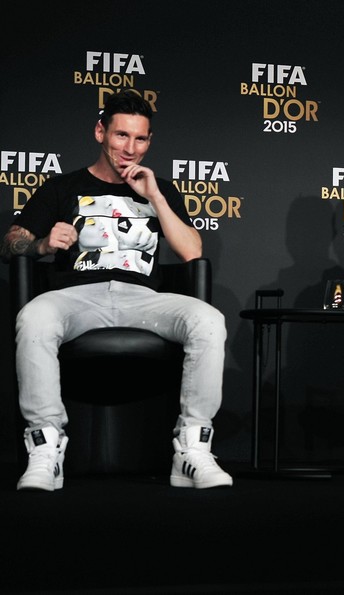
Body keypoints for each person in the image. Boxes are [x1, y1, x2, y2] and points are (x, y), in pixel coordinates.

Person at [1, 90, 233, 491]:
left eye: (140, 139)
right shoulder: (63, 187)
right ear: (99, 132)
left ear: (149, 141)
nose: (129, 148)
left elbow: (192, 251)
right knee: (34, 316)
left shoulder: (159, 189)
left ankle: (192, 449)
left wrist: (155, 196)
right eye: (121, 135)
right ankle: (45, 448)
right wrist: (40, 245)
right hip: (77, 297)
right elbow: (9, 245)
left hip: (142, 300)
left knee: (208, 320)